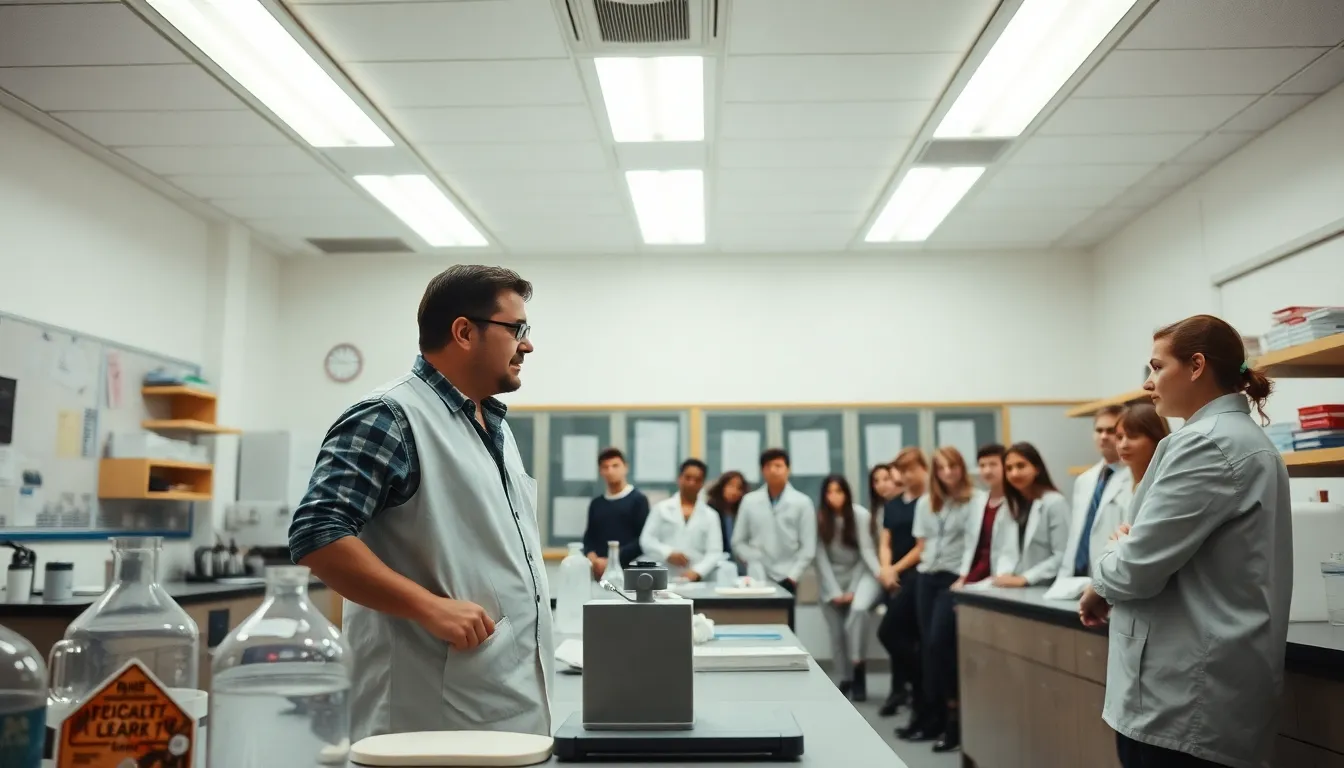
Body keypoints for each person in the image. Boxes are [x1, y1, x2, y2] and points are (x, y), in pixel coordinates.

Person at [287, 265, 551, 742]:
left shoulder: (494, 426)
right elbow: (318, 533)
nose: (527, 345)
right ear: (465, 332)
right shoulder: (389, 416)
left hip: (502, 699)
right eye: (517, 329)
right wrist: (428, 606)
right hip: (425, 710)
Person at [1080, 314, 1291, 768]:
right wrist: (1128, 549)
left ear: (1196, 365)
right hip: (1189, 691)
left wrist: (1112, 555)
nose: (1149, 383)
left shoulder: (1207, 444)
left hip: (1181, 702)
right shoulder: (1233, 439)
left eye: (1157, 368)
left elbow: (1133, 568)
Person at [900, 447, 981, 752]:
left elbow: (973, 542)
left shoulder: (974, 501)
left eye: (953, 466)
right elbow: (923, 543)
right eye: (942, 467)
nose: (948, 473)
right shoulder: (926, 502)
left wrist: (964, 578)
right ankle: (933, 716)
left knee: (939, 643)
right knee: (927, 649)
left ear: (961, 468)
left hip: (953, 578)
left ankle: (954, 718)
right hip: (927, 577)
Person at [813, 475, 882, 702]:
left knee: (856, 616)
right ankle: (845, 678)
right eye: (829, 492)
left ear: (847, 493)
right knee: (837, 634)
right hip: (830, 580)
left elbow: (866, 554)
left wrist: (852, 590)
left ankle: (859, 671)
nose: (834, 497)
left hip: (858, 575)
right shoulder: (820, 518)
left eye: (839, 491)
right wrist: (834, 591)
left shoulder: (860, 515)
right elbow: (820, 558)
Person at [876, 448, 928, 718]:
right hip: (892, 578)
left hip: (916, 576)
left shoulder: (930, 502)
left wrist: (895, 569)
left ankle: (920, 684)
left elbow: (923, 547)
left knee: (895, 633)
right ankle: (905, 689)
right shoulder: (893, 504)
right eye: (902, 470)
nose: (906, 475)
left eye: (911, 469)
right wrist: (886, 569)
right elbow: (885, 541)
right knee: (897, 638)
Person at [1060, 405, 1133, 582]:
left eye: (1111, 431)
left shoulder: (1134, 478)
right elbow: (1076, 534)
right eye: (1099, 430)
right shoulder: (1085, 480)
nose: (1103, 436)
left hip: (1110, 578)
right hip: (1076, 578)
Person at [731, 448, 816, 597]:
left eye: (778, 466)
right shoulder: (749, 501)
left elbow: (808, 547)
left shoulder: (802, 502)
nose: (773, 470)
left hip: (789, 575)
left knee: (785, 619)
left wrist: (793, 576)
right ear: (762, 471)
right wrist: (752, 559)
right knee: (757, 617)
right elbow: (738, 541)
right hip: (757, 574)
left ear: (788, 470)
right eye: (768, 466)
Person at [990, 442, 1070, 587]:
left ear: (1037, 468)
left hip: (1044, 585)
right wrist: (1004, 574)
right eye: (1009, 469)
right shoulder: (1008, 507)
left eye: (1021, 466)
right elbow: (1002, 551)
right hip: (1012, 586)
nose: (1014, 473)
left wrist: (1025, 578)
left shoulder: (1054, 503)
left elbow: (1063, 555)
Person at [639, 459, 723, 582]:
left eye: (697, 480)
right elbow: (646, 540)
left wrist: (698, 571)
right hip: (663, 576)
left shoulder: (710, 515)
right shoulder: (661, 509)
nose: (691, 483)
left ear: (702, 483)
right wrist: (668, 553)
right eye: (687, 478)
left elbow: (715, 551)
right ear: (679, 478)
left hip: (697, 580)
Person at [582, 448, 649, 578]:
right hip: (599, 573)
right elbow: (589, 537)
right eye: (605, 467)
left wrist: (611, 560)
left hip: (629, 573)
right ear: (600, 471)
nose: (610, 471)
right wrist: (592, 556)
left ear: (626, 468)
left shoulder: (638, 500)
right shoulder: (597, 503)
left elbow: (642, 540)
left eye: (615, 466)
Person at [955, 444, 1007, 588]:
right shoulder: (978, 501)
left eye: (993, 464)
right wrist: (964, 576)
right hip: (974, 575)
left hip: (999, 576)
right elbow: (971, 544)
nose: (987, 470)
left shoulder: (1013, 504)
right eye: (982, 465)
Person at [1116, 403, 1171, 495]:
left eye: (1133, 436)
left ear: (1157, 439)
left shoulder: (1170, 482)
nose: (1123, 445)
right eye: (1119, 437)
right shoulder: (1114, 482)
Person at [706, 470, 747, 566]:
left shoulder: (743, 511)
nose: (734, 491)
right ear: (722, 487)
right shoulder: (710, 510)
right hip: (716, 563)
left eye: (739, 488)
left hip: (740, 564)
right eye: (730, 486)